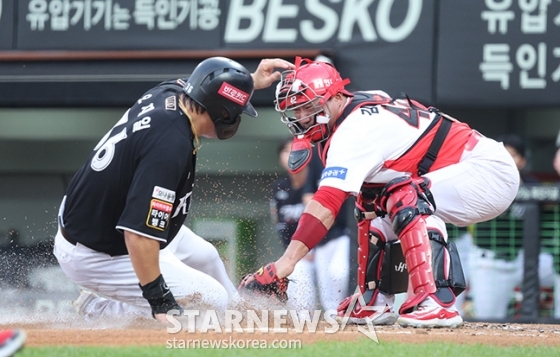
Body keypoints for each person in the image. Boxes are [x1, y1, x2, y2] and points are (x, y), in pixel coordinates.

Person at [239, 57, 519, 328]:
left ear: (336, 98)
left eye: (309, 106)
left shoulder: (353, 131)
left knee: (408, 196)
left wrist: (284, 264)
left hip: (487, 171)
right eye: (296, 109)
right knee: (369, 203)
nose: (301, 117)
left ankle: (437, 302)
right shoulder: (348, 112)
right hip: (458, 171)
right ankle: (373, 300)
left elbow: (325, 205)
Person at [53, 57, 294, 322]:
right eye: (236, 109)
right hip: (98, 251)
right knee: (209, 300)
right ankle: (99, 309)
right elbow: (138, 236)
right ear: (223, 113)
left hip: (103, 217)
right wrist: (159, 300)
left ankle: (241, 317)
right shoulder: (169, 146)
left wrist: (248, 83)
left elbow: (208, 84)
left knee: (207, 256)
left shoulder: (172, 92)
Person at [468, 134, 556, 319]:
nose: (508, 159)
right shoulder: (483, 183)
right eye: (503, 154)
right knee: (489, 319)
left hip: (527, 259)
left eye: (513, 155)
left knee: (555, 266)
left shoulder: (533, 184)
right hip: (492, 262)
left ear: (522, 161)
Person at [270, 138, 350, 313]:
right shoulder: (280, 188)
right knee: (298, 287)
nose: (292, 155)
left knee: (336, 277)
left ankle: (336, 322)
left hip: (329, 241)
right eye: (286, 151)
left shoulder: (320, 178)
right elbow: (281, 226)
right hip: (299, 251)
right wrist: (298, 251)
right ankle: (304, 330)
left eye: (295, 150)